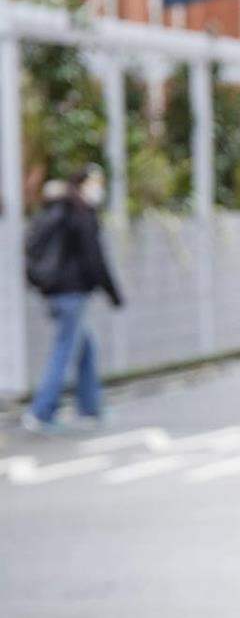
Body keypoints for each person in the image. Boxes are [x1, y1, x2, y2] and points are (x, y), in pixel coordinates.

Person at [22, 165, 124, 434]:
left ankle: (90, 407)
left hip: (54, 292)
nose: (98, 188)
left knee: (85, 347)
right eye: (95, 183)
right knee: (65, 350)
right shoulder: (80, 214)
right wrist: (113, 293)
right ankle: (40, 412)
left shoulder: (56, 209)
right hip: (73, 292)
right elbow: (95, 259)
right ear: (82, 184)